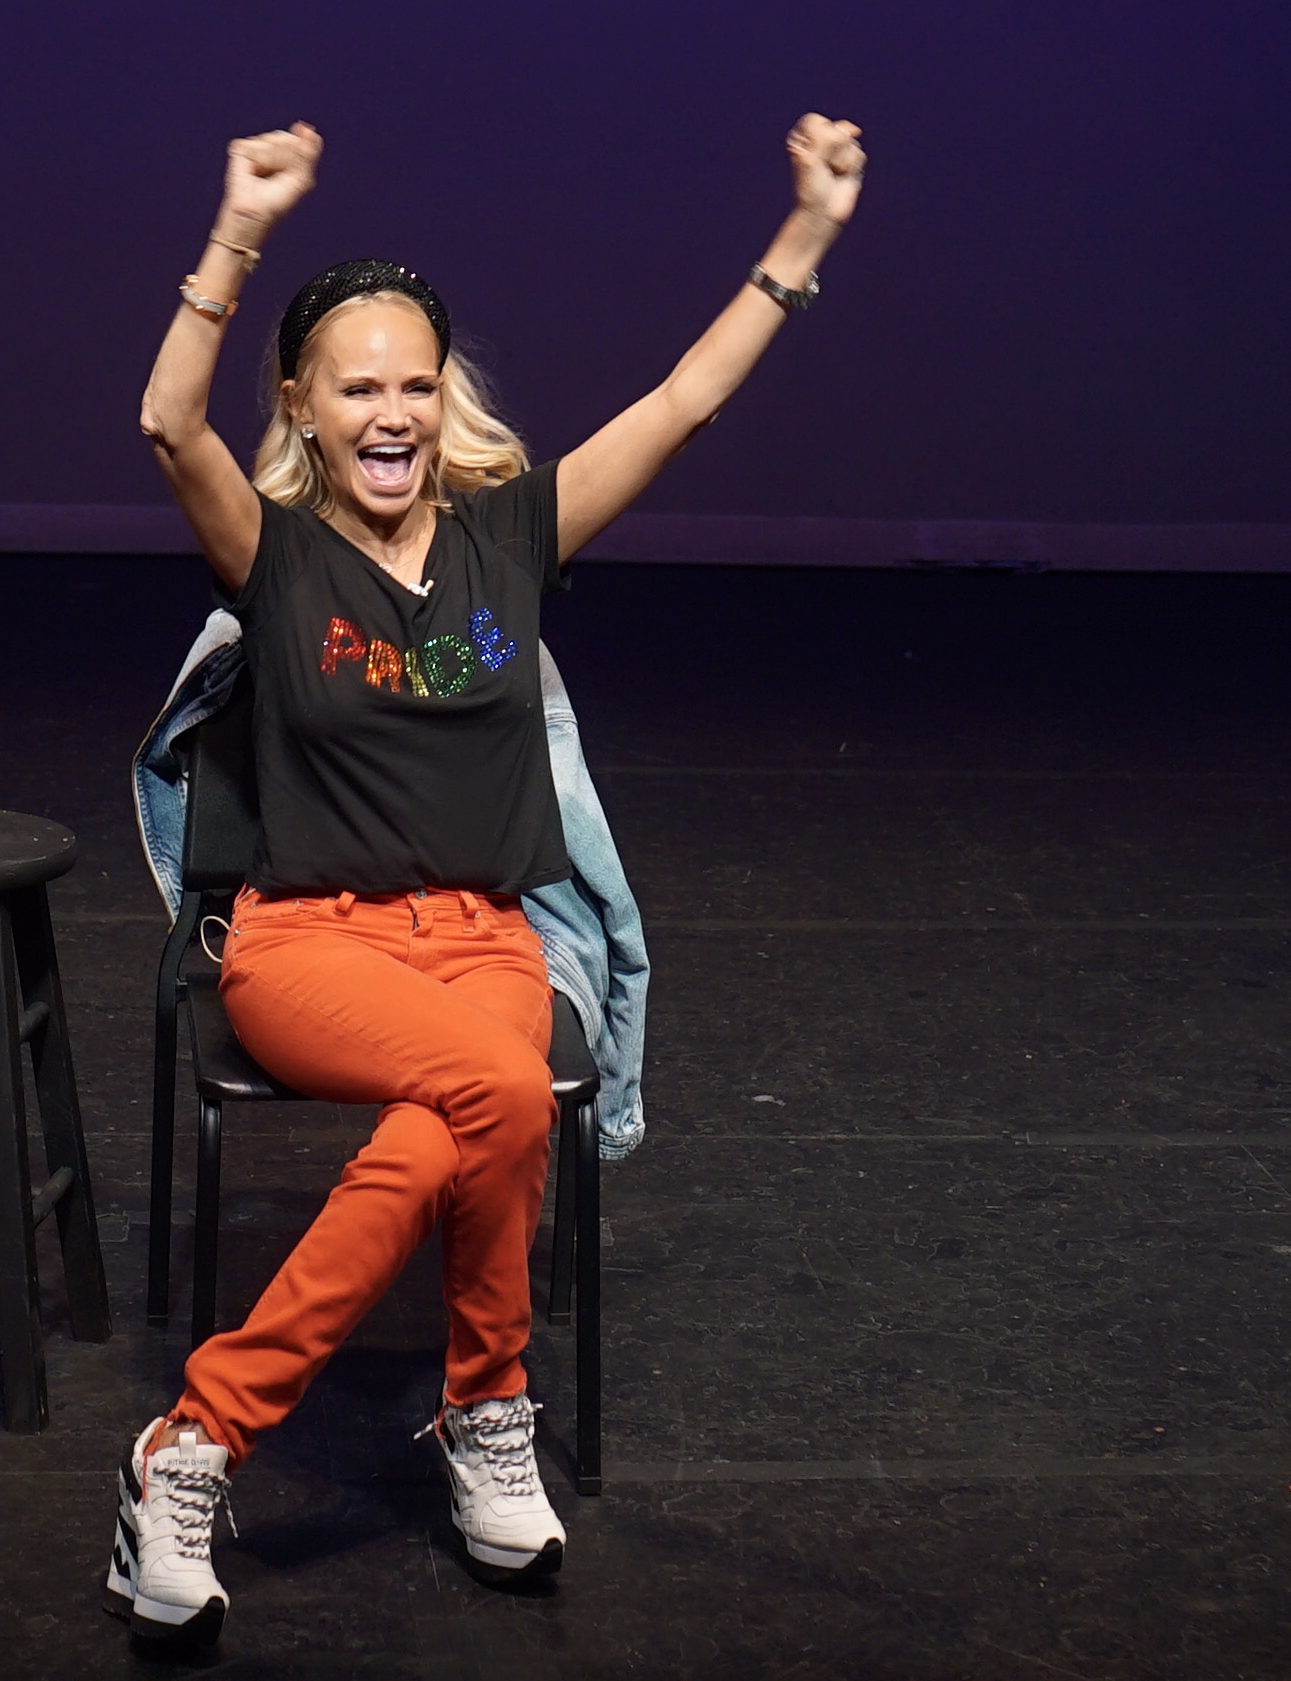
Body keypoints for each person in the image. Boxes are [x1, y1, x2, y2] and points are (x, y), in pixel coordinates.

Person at [107, 112, 865, 1648]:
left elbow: (684, 403)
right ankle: (288, 1428)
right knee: (505, 1103)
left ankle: (295, 1441)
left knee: (464, 1107)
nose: (389, 412)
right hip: (308, 944)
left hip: (480, 942)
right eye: (356, 387)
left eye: (412, 383)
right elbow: (166, 426)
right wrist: (237, 235)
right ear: (307, 409)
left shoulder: (514, 537)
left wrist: (806, 236)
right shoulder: (275, 555)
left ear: (439, 400)